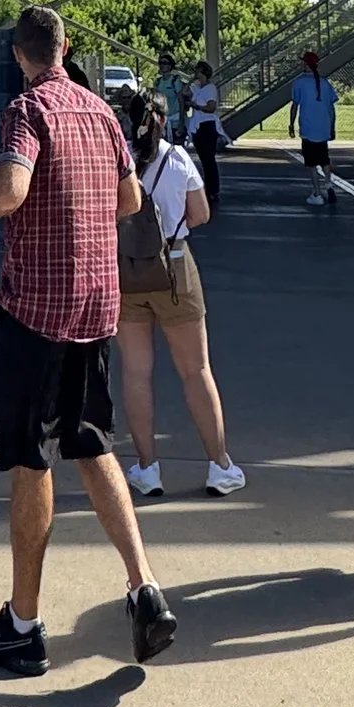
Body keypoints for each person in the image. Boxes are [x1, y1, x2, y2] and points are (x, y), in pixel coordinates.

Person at [0, 5, 176, 675]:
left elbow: (12, 188)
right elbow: (130, 199)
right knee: (90, 437)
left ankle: (23, 622)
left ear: (18, 55)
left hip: (37, 311)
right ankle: (144, 586)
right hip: (96, 306)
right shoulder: (102, 112)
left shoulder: (27, 111)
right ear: (66, 47)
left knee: (30, 454)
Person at [117, 94, 245, 501]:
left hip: (127, 273)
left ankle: (147, 468)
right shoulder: (177, 159)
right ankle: (220, 465)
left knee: (137, 374)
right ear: (164, 118)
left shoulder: (118, 162)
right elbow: (201, 214)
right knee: (196, 371)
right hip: (174, 269)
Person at [289, 47, 340, 208]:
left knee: (311, 163)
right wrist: (332, 126)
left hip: (308, 127)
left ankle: (317, 193)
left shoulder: (299, 83)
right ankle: (328, 182)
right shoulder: (325, 83)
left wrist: (291, 124)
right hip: (323, 126)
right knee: (324, 158)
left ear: (306, 65)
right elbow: (332, 108)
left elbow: (295, 105)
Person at [185, 60, 224, 214]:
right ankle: (208, 186)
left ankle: (213, 189)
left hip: (208, 125)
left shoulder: (210, 88)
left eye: (198, 72)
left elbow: (211, 107)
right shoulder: (196, 88)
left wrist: (196, 106)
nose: (196, 74)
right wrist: (189, 81)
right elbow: (184, 92)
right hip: (198, 125)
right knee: (202, 158)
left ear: (203, 73)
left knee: (209, 159)